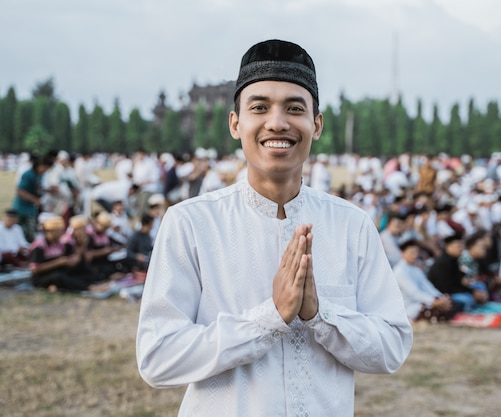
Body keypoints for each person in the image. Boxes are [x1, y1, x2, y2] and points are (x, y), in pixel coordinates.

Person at [136, 39, 412, 417]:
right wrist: (269, 318)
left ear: (316, 125)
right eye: (260, 107)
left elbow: (393, 346)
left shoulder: (352, 225)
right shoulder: (191, 223)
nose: (277, 122)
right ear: (236, 123)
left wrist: (321, 315)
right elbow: (157, 356)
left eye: (295, 108)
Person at [393, 239, 454, 322]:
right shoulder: (399, 271)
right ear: (402, 253)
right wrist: (433, 302)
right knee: (436, 312)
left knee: (450, 303)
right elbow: (413, 293)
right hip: (410, 306)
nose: (415, 255)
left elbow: (427, 286)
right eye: (412, 252)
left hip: (423, 301)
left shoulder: (415, 269)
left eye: (416, 252)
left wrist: (440, 297)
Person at [428, 233, 488, 312]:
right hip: (444, 294)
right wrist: (472, 293)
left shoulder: (455, 260)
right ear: (448, 247)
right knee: (467, 299)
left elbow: (461, 281)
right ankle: (467, 315)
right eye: (458, 246)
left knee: (480, 286)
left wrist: (473, 290)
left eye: (462, 246)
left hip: (456, 289)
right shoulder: (443, 263)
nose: (461, 249)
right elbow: (447, 288)